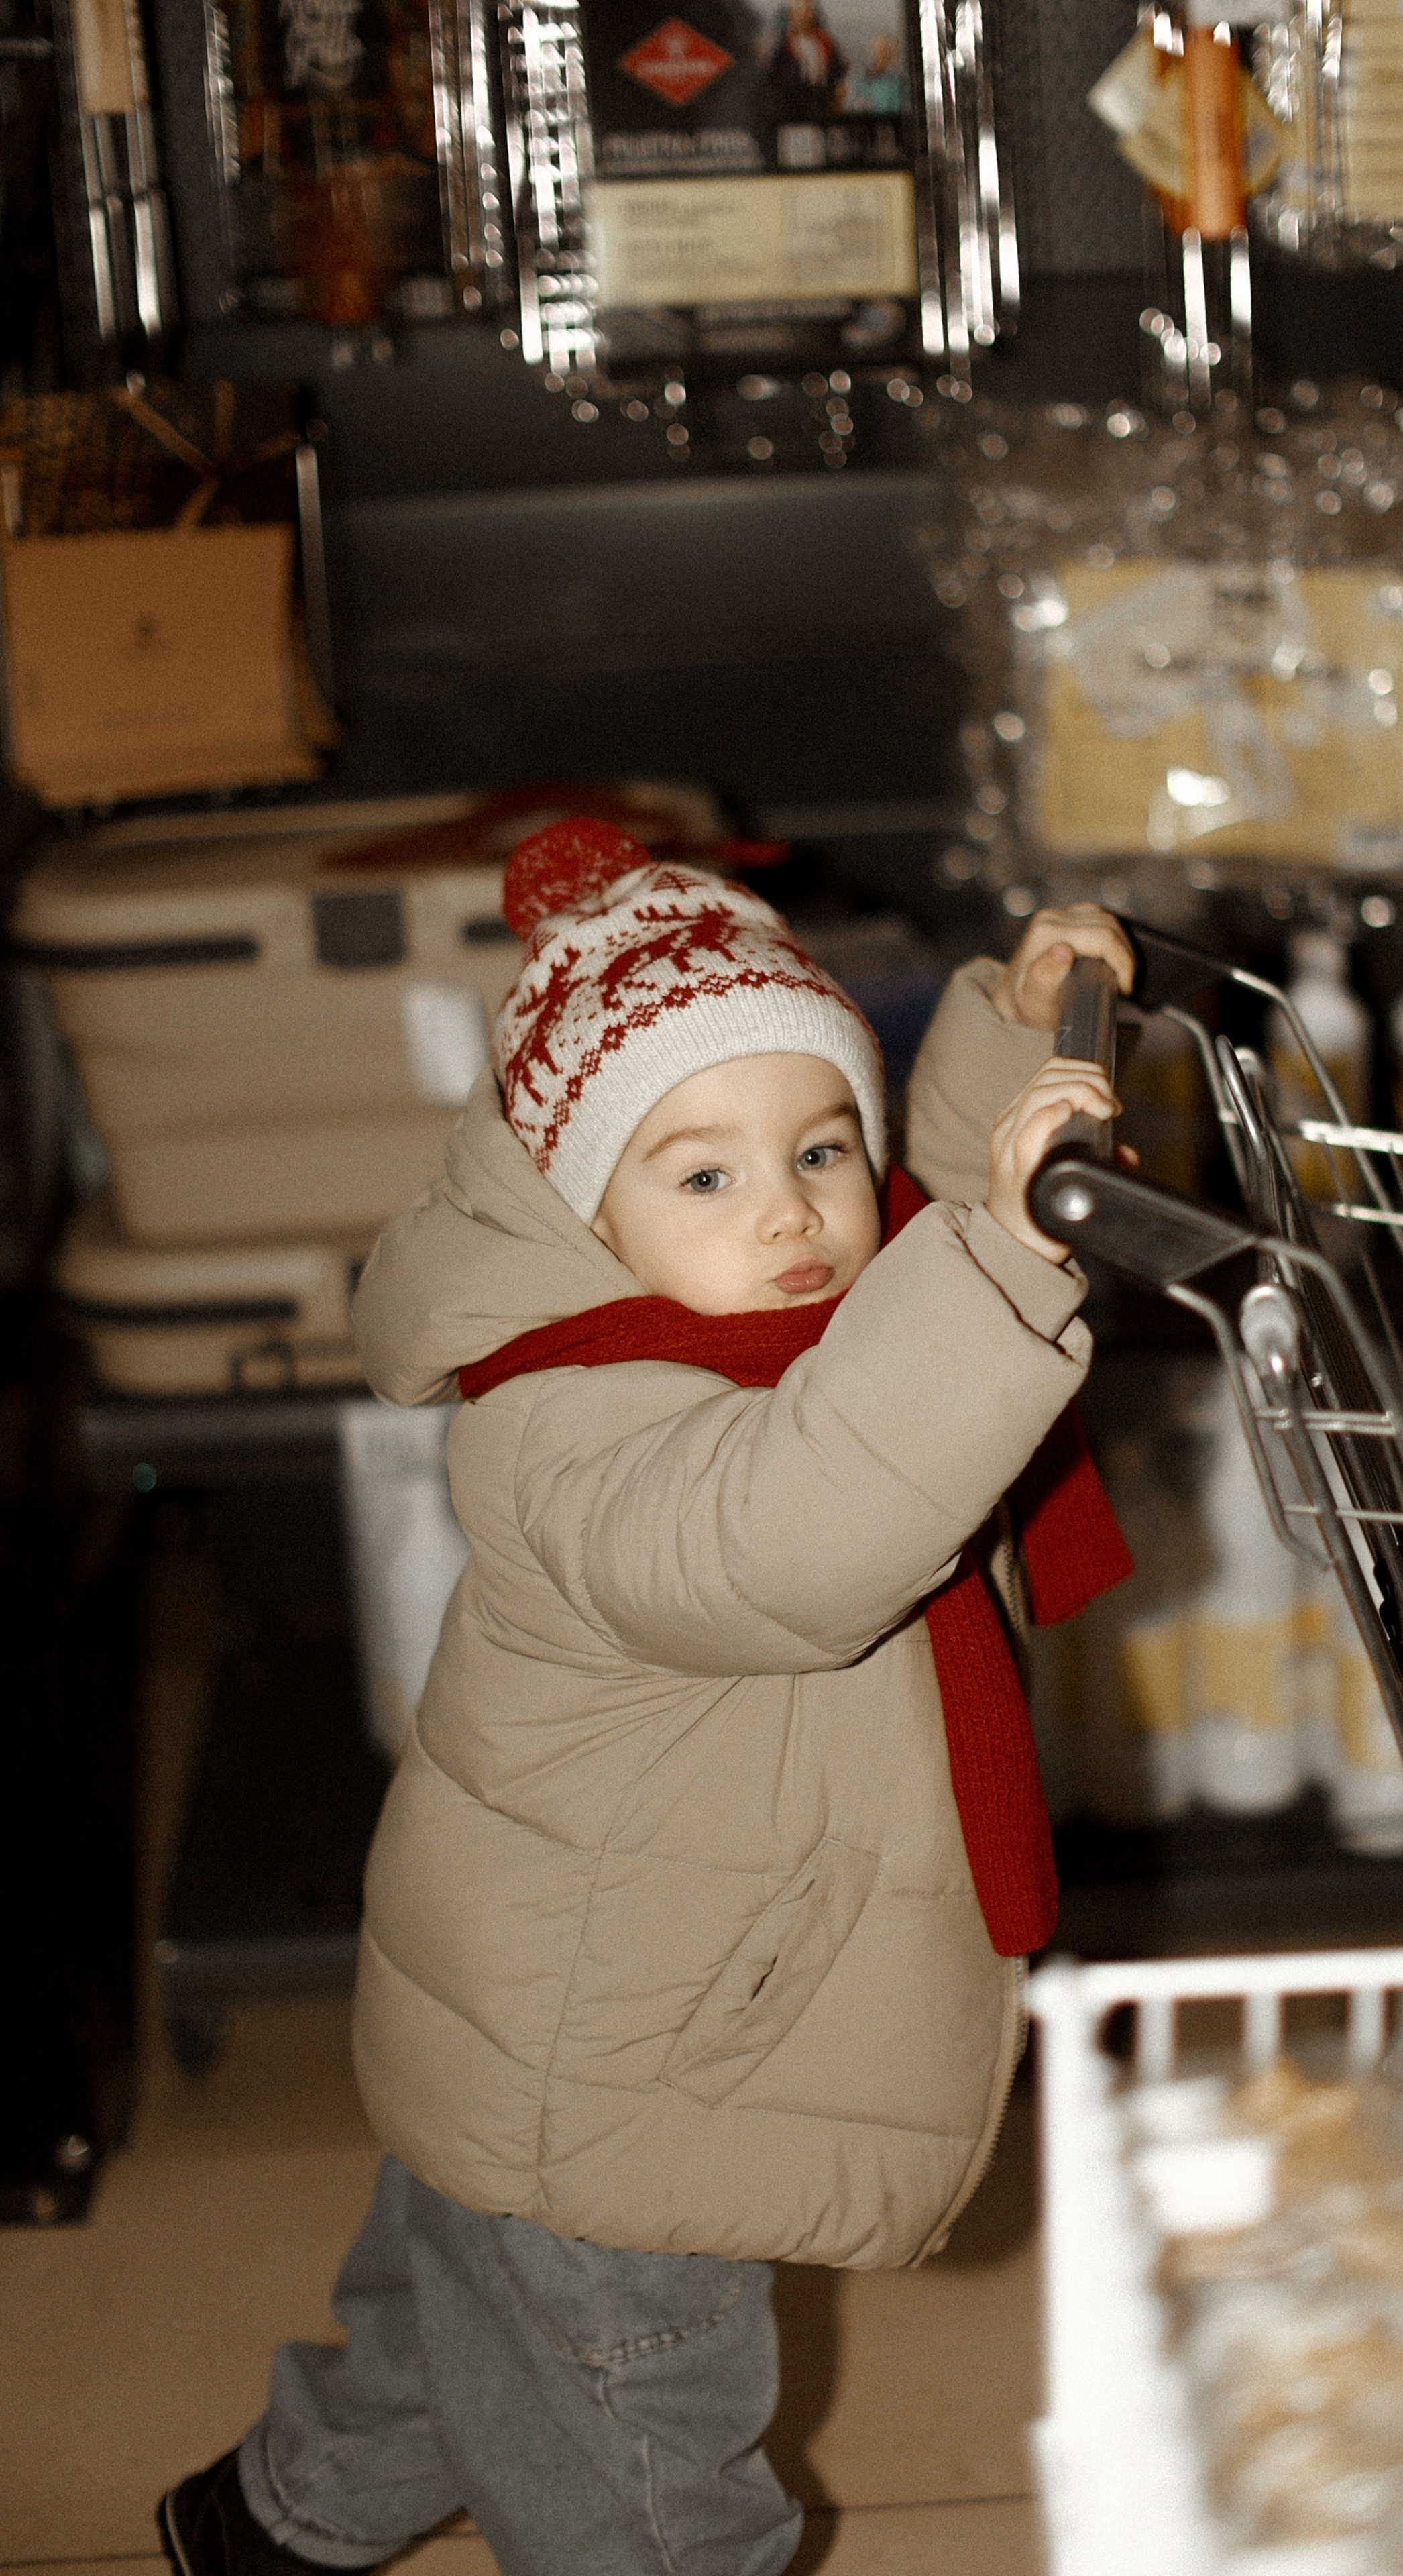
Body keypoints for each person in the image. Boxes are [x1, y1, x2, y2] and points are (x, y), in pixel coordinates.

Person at [156, 820, 1136, 2576]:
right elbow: (803, 1525)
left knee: (469, 2315)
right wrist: (1000, 1267)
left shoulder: (756, 1296)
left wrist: (1016, 1030)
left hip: (560, 2018)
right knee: (646, 2455)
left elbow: (908, 1193)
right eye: (704, 1175)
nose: (789, 1213)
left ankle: (275, 2521)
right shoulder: (573, 1429)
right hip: (625, 2070)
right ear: (579, 1211)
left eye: (812, 1147)